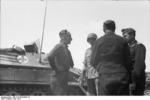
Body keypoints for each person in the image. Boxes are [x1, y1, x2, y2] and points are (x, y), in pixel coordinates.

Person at [90, 20, 132, 95]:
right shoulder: (123, 41)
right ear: (114, 28)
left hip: (105, 78)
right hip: (122, 78)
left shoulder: (98, 42)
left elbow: (93, 61)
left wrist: (102, 69)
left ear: (103, 29)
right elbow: (128, 62)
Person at [47, 29, 74, 95]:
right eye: (69, 37)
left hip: (63, 79)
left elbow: (72, 64)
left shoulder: (67, 50)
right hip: (58, 79)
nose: (71, 39)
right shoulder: (59, 46)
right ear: (63, 37)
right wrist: (55, 68)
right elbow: (50, 56)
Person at [122, 28, 146, 95]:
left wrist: (134, 82)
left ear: (132, 35)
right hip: (128, 80)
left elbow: (139, 66)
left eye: (125, 36)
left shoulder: (139, 46)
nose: (123, 38)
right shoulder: (126, 47)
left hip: (136, 81)